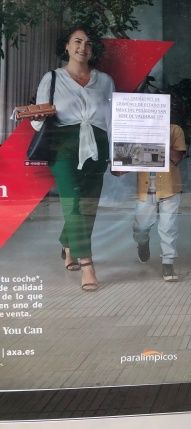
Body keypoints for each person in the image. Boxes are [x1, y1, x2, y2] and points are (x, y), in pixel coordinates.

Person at [31, 25, 114, 291]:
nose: (83, 47)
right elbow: (36, 124)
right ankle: (87, 265)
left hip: (98, 145)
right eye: (77, 41)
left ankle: (68, 246)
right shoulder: (52, 78)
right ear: (66, 46)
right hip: (63, 147)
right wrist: (37, 117)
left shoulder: (105, 81)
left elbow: (113, 122)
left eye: (88, 43)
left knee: (87, 205)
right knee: (73, 203)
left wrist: (117, 155)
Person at [132, 123, 187, 282]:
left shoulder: (175, 129)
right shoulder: (137, 129)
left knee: (168, 227)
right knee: (140, 227)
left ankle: (168, 263)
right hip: (145, 189)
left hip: (170, 188)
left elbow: (177, 158)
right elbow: (126, 158)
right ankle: (143, 242)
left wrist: (158, 141)